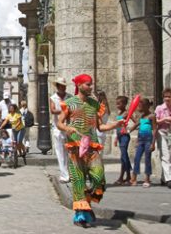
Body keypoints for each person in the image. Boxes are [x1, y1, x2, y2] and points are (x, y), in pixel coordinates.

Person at [57, 74, 123, 228]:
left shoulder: (94, 104)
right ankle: (80, 215)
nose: (91, 87)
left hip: (92, 146)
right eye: (88, 84)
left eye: (91, 84)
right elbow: (60, 123)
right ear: (79, 85)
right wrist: (68, 128)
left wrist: (115, 125)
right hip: (74, 147)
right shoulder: (69, 103)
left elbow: (100, 127)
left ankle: (86, 202)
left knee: (98, 176)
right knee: (78, 181)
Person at [155, 87, 171, 189]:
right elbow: (156, 121)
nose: (167, 98)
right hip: (162, 133)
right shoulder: (159, 108)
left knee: (170, 156)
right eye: (165, 96)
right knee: (165, 156)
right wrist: (165, 119)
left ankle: (163, 178)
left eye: (169, 97)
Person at [49, 77, 72, 183]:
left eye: (64, 85)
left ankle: (68, 172)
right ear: (58, 86)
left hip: (68, 126)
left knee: (69, 151)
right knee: (60, 152)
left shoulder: (70, 97)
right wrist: (64, 111)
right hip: (57, 127)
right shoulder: (53, 97)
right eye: (61, 85)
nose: (63, 87)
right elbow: (52, 110)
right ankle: (64, 174)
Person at [129, 98, 156, 188]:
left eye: (140, 106)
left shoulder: (152, 116)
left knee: (147, 159)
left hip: (148, 140)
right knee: (137, 158)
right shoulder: (141, 116)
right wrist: (127, 130)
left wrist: (153, 143)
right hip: (140, 140)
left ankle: (147, 178)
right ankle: (134, 178)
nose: (139, 108)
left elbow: (155, 129)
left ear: (146, 106)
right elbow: (136, 125)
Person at [113, 95, 135, 185]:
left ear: (124, 104)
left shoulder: (126, 113)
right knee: (123, 157)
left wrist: (129, 129)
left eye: (119, 103)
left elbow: (137, 121)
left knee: (124, 156)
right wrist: (116, 138)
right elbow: (117, 127)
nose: (117, 105)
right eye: (116, 104)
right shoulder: (119, 114)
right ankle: (126, 176)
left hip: (125, 136)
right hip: (120, 136)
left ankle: (126, 176)